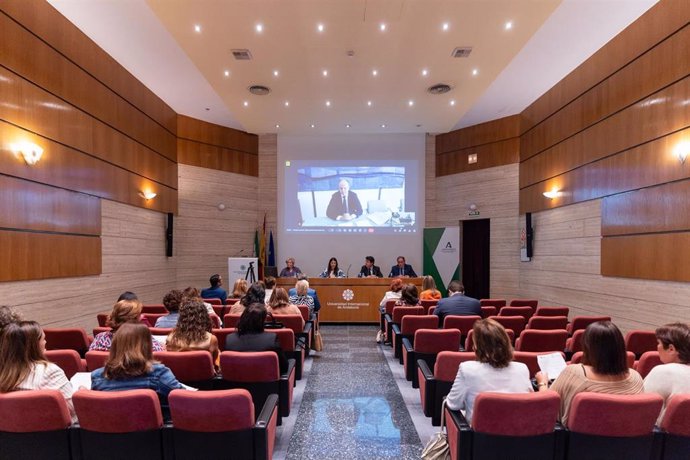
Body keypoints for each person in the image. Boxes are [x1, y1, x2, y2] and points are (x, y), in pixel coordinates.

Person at [535, 321, 644, 427]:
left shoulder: (574, 373)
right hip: (626, 444)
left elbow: (546, 404)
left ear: (587, 347)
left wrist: (542, 383)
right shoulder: (636, 378)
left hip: (575, 443)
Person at [446, 319, 532, 424]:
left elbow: (453, 404)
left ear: (477, 346)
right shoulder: (522, 369)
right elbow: (529, 402)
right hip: (518, 433)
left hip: (479, 437)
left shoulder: (467, 369)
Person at [91, 323, 186, 417]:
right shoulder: (159, 374)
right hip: (155, 430)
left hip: (113, 429)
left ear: (115, 345)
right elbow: (183, 397)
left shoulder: (97, 377)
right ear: (147, 346)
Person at [0, 321, 77, 423]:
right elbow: (73, 409)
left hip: (10, 435)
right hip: (53, 435)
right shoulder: (49, 371)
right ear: (33, 345)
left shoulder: (3, 374)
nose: (45, 342)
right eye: (43, 339)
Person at [644, 322, 690, 424]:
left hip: (664, 437)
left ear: (671, 349)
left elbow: (642, 411)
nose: (657, 347)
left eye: (659, 343)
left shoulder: (662, 371)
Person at [225, 303, 289, 374]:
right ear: (263, 321)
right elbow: (284, 367)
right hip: (267, 382)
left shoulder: (230, 339)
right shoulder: (271, 339)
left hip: (235, 382)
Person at [90, 299, 164, 351]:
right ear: (134, 319)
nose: (141, 317)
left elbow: (91, 358)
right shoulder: (144, 339)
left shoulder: (100, 338)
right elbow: (160, 355)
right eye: (139, 315)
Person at [166, 299, 220, 370]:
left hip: (177, 377)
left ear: (181, 318)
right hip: (204, 378)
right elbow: (214, 363)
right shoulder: (211, 339)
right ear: (204, 317)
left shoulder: (170, 338)